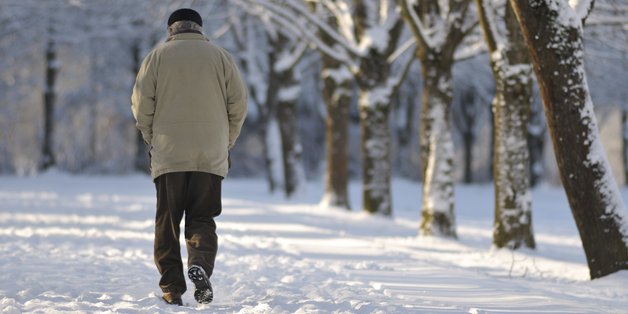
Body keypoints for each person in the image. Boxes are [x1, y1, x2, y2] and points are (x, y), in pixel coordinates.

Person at [131, 8, 248, 306]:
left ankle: (171, 287)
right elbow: (238, 104)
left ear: (171, 29)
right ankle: (200, 264)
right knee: (203, 217)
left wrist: (152, 139)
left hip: (169, 152)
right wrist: (225, 142)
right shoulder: (221, 57)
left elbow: (141, 106)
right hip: (210, 154)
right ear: (199, 28)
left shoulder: (156, 58)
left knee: (167, 223)